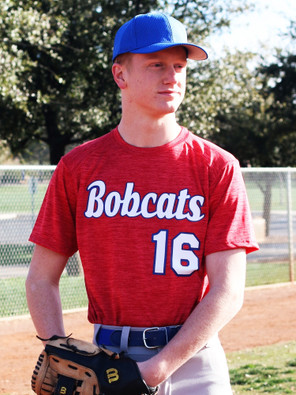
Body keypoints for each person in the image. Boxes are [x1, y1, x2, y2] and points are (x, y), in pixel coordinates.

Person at [26, 11, 259, 394]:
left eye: (179, 66)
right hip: (106, 361)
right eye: (156, 64)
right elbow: (39, 278)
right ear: (121, 75)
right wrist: (60, 352)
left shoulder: (217, 167)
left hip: (194, 362)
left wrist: (151, 372)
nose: (172, 77)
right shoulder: (79, 167)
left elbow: (228, 290)